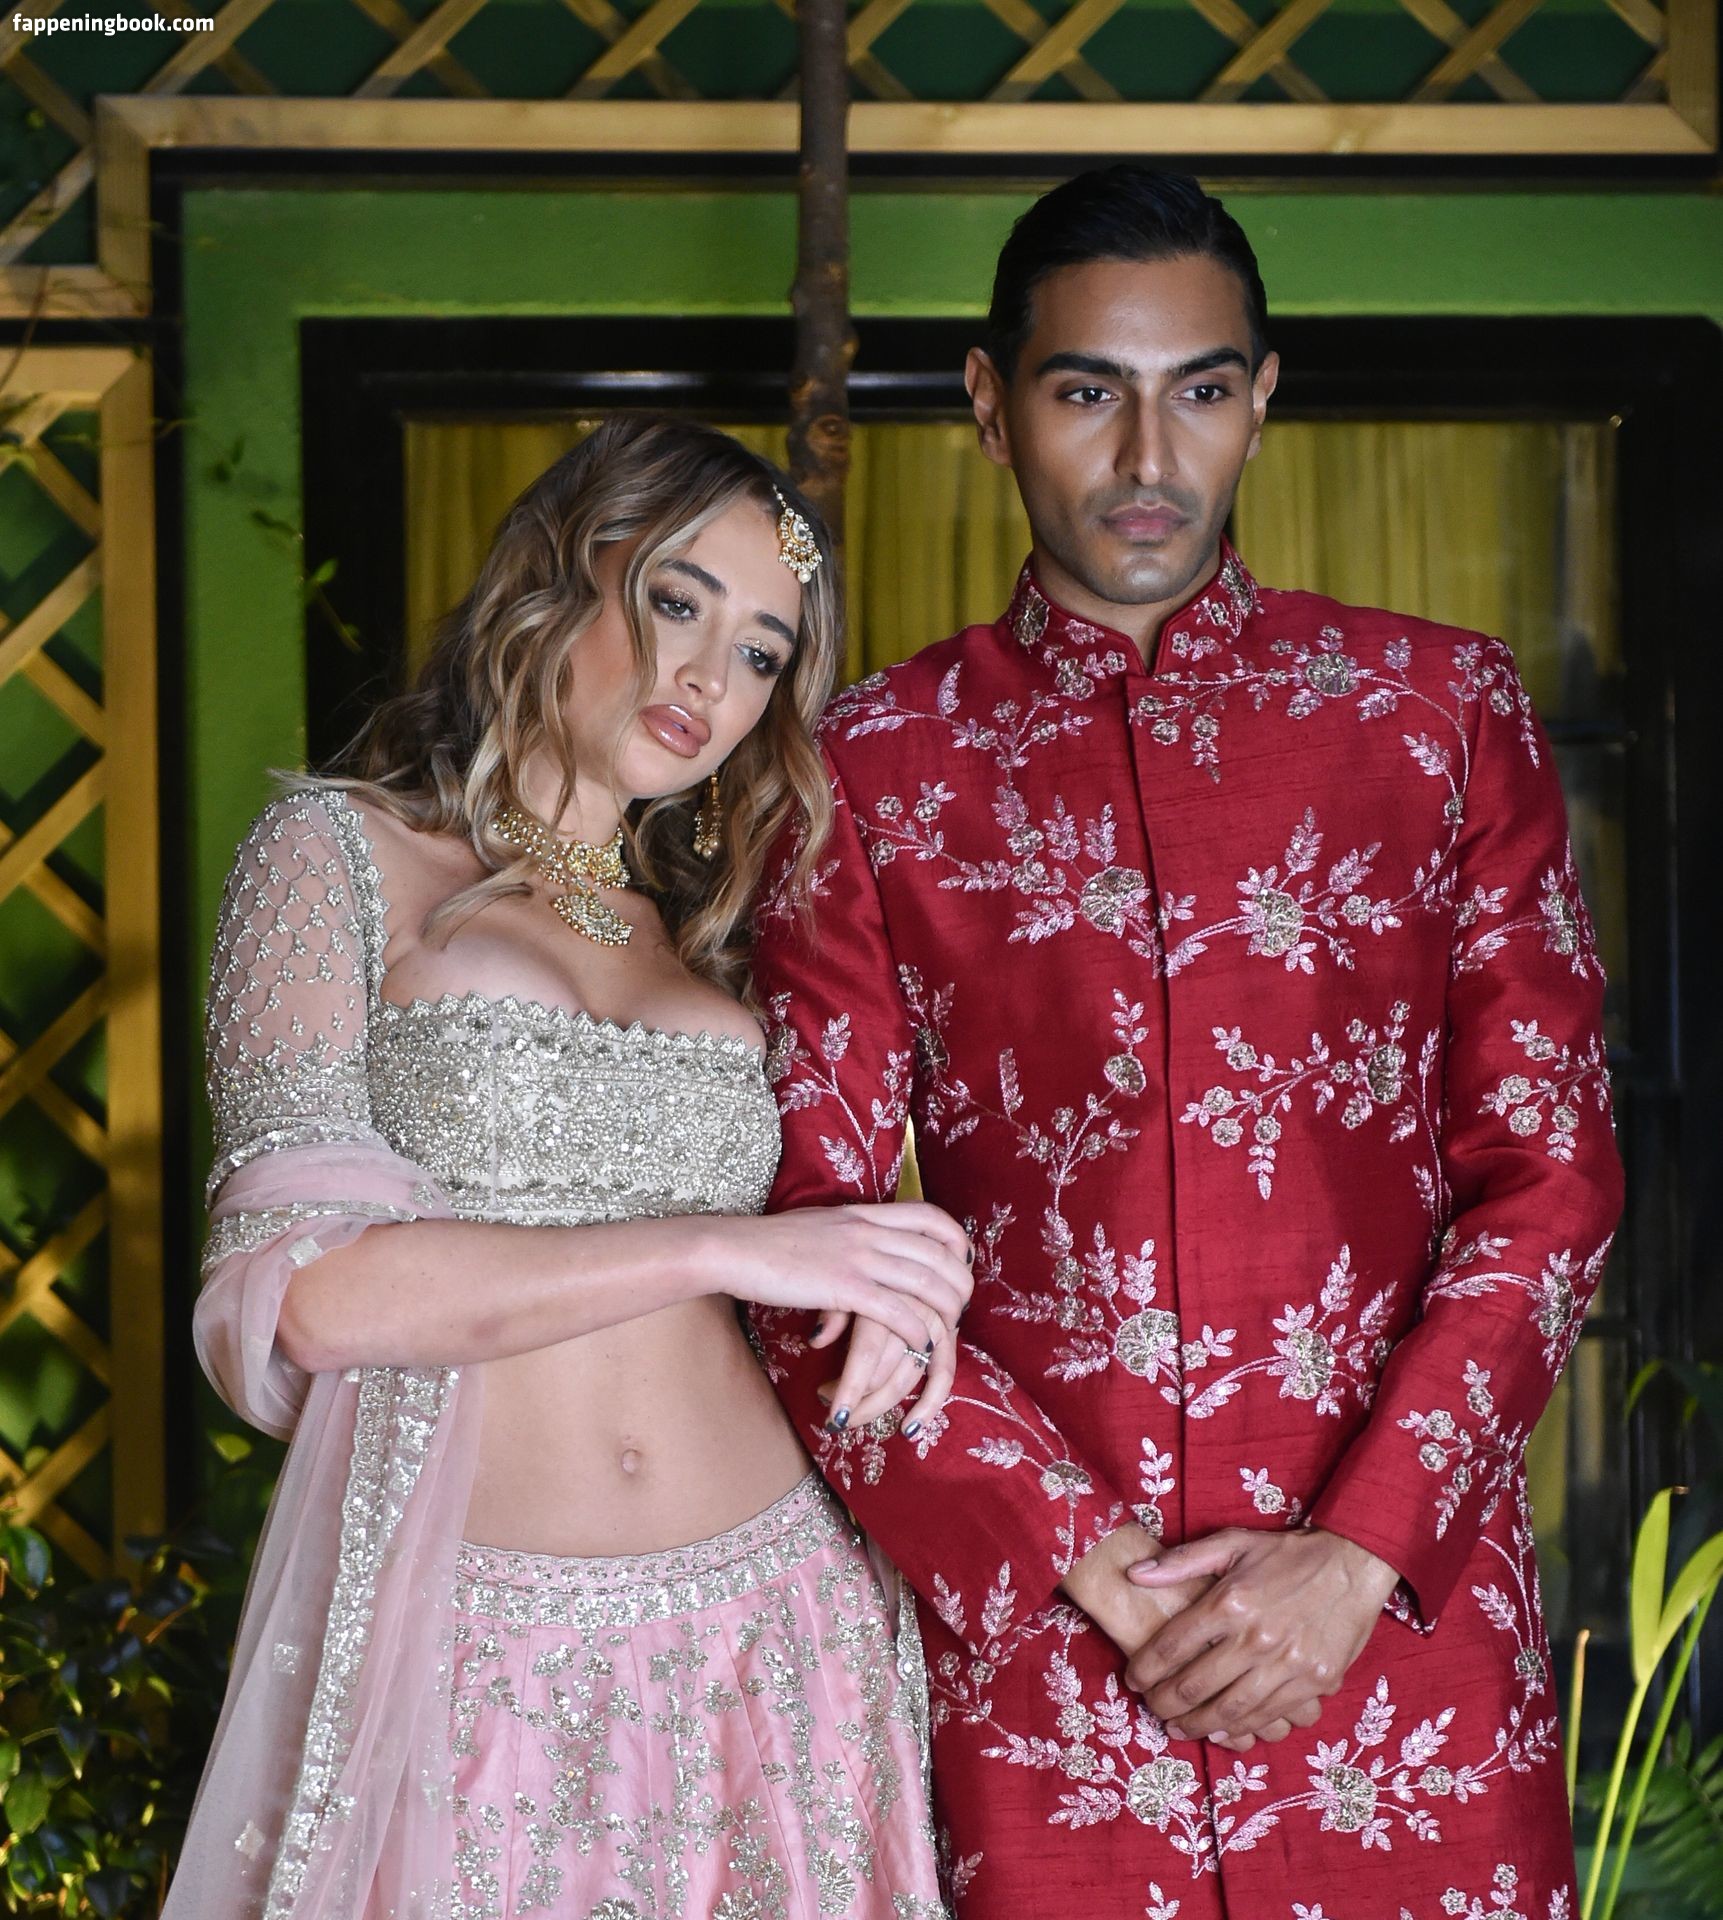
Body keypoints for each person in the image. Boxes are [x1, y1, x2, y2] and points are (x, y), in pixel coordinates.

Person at [749, 167, 1623, 1919]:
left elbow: (1552, 1178)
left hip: (1404, 1644)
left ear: (1263, 398)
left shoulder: (1438, 720)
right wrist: (1088, 1566)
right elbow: (804, 1241)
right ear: (991, 405)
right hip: (1048, 1668)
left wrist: (1357, 1553)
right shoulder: (862, 770)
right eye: (1089, 391)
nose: (1149, 456)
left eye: (1201, 389)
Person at [167, 416, 961, 1919]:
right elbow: (305, 1298)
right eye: (676, 601)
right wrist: (718, 1246)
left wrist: (912, 1270)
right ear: (556, 570)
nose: (707, 679)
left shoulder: (727, 929)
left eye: (762, 652)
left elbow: (864, 1201)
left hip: (779, 1633)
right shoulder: (338, 853)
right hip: (478, 1651)